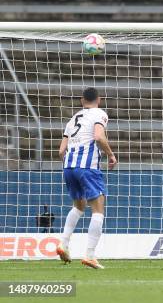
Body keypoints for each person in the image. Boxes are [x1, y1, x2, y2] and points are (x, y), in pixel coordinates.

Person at [56, 87, 117, 269]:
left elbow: (61, 151)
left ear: (82, 101)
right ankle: (90, 255)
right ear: (99, 100)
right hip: (88, 167)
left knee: (78, 206)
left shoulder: (73, 119)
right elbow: (98, 136)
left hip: (69, 167)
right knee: (97, 210)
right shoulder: (99, 113)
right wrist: (111, 155)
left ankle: (63, 243)